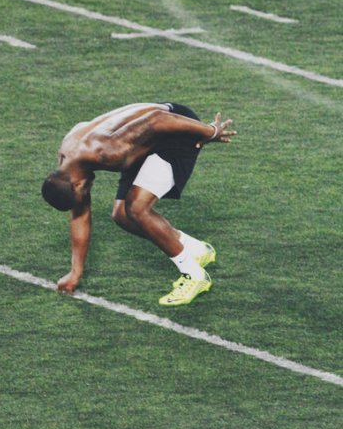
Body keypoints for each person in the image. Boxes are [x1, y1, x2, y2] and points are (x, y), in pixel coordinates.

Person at [41, 103, 235, 305]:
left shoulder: (105, 151)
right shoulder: (67, 166)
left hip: (174, 131)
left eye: (84, 192)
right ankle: (197, 250)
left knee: (136, 208)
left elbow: (157, 119)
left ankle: (194, 275)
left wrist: (211, 132)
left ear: (77, 184)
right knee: (122, 215)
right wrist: (75, 272)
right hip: (145, 143)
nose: (88, 191)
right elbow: (79, 215)